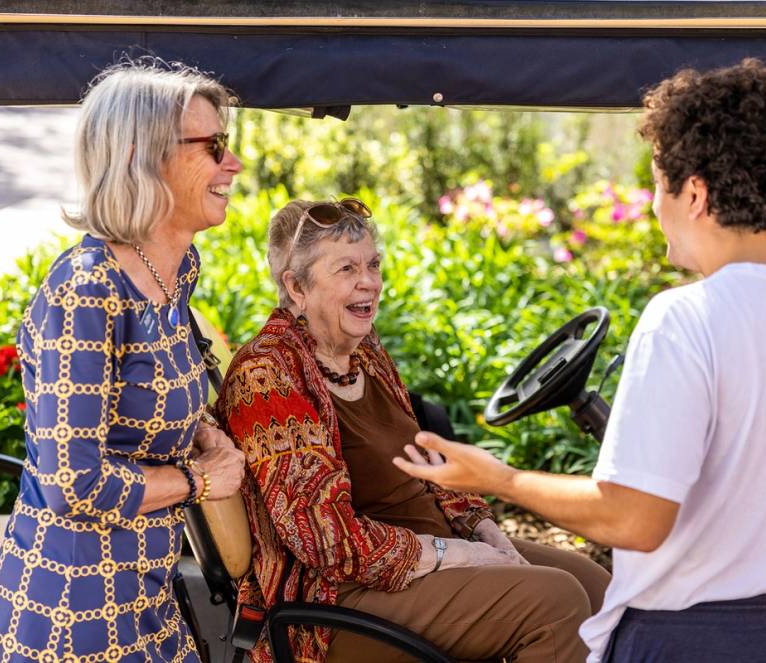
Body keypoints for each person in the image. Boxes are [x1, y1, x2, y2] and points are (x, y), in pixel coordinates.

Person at [394, 59, 766, 663]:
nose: (654, 207)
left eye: (658, 186)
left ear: (694, 192)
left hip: (683, 642)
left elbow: (633, 519)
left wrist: (497, 478)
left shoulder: (686, 318)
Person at [214, 198, 611, 663]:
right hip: (338, 597)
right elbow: (324, 539)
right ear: (296, 286)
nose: (369, 282)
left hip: (427, 556)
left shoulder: (362, 351)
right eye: (346, 269)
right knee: (557, 604)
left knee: (599, 589)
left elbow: (428, 467)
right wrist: (451, 554)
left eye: (373, 264)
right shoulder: (267, 375)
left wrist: (484, 531)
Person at [0, 61, 247, 663]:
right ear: (140, 157)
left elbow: (142, 396)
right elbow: (72, 482)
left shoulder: (177, 272)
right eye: (215, 146)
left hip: (145, 594)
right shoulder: (86, 290)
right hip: (71, 609)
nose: (235, 164)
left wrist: (197, 426)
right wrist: (204, 481)